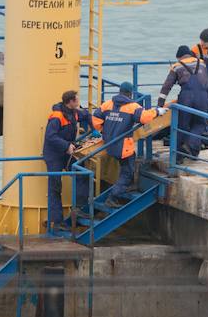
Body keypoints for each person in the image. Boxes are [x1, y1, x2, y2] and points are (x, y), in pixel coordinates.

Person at [93, 82, 167, 207]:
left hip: (109, 143)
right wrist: (157, 111)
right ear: (130, 93)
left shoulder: (107, 104)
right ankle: (113, 196)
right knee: (128, 171)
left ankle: (125, 186)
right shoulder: (133, 106)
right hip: (123, 146)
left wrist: (104, 131)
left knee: (126, 165)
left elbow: (95, 120)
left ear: (120, 91)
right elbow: (145, 118)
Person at [43, 90, 91, 230]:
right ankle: (57, 222)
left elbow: (87, 115)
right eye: (77, 100)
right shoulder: (57, 117)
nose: (78, 102)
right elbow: (50, 137)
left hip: (66, 153)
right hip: (54, 155)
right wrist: (66, 145)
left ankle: (79, 209)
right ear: (70, 102)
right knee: (55, 186)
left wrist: (95, 129)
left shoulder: (74, 112)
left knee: (82, 174)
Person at [158, 46, 208, 162]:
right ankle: (193, 152)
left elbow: (167, 86)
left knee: (181, 126)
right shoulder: (202, 63)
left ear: (179, 57)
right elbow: (207, 82)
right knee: (199, 124)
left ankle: (178, 156)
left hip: (186, 97)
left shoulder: (177, 66)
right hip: (202, 97)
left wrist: (160, 104)